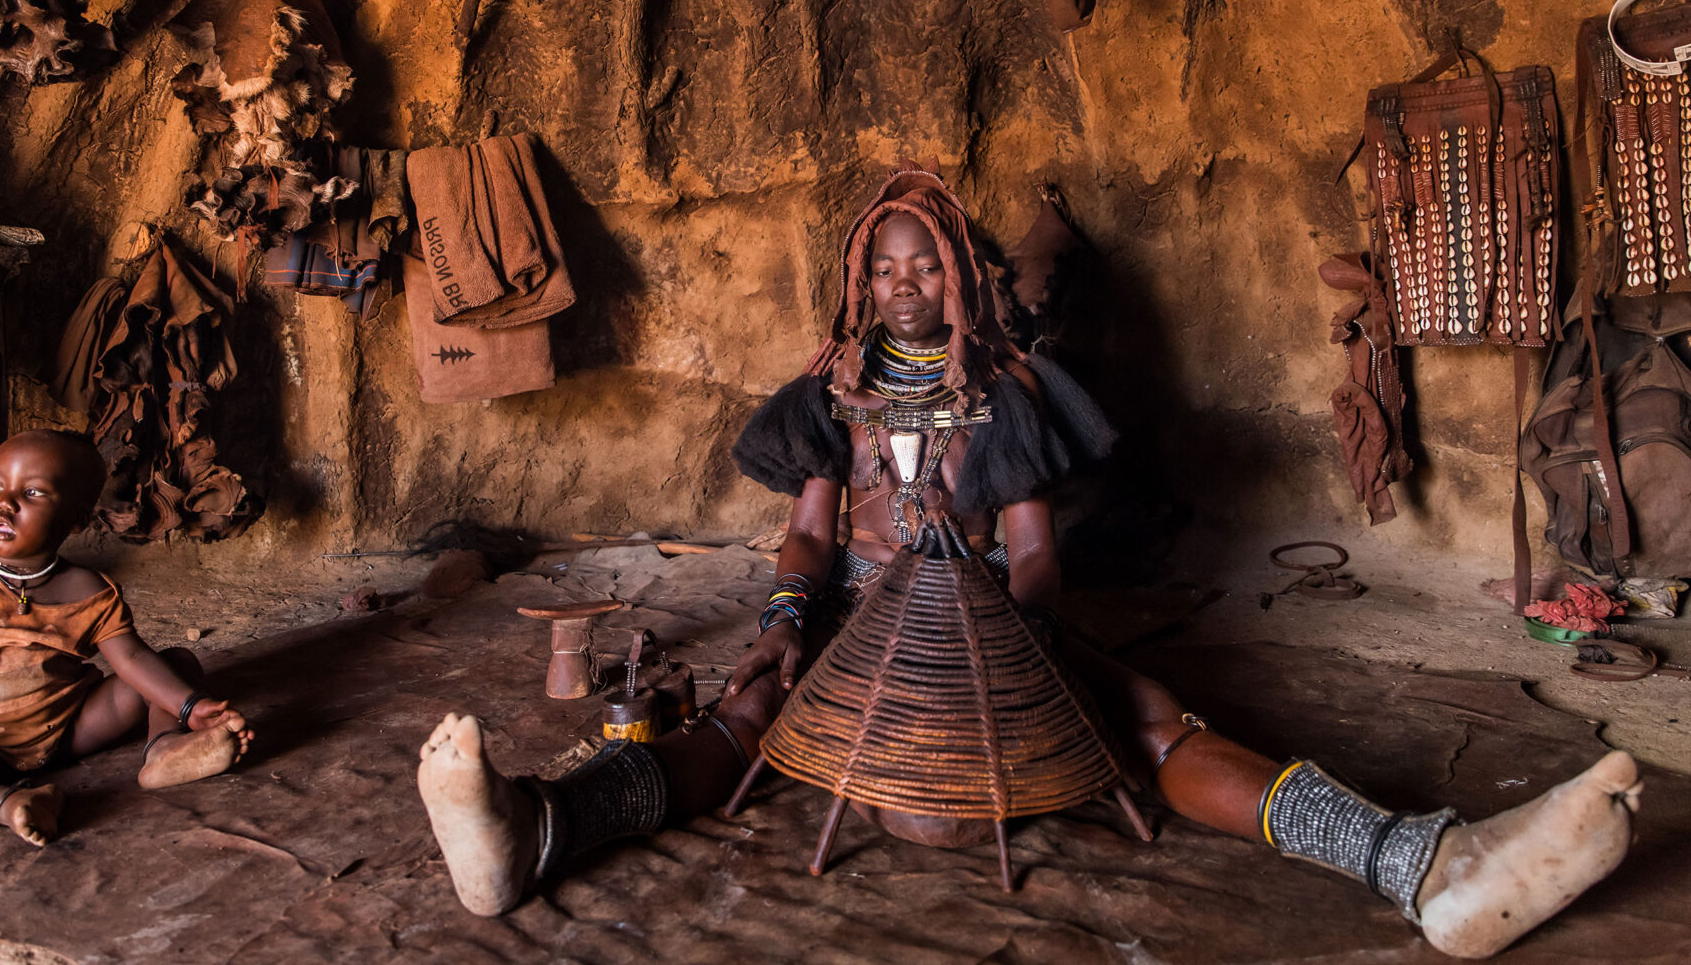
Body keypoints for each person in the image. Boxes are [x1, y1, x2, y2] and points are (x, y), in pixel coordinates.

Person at [418, 164, 1639, 958]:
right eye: (885, 266)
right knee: (749, 709)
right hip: (859, 621)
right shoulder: (832, 392)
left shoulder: (1006, 389)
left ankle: (1421, 862)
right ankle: (535, 832)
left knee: (1148, 715)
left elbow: (1034, 549)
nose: (905, 285)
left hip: (992, 619)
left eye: (926, 264)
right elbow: (809, 527)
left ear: (961, 271)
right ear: (861, 277)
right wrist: (790, 617)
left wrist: (1025, 642)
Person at [0, 429, 254, 846]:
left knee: (175, 665)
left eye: (32, 493)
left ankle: (165, 749)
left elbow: (131, 661)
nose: (3, 502)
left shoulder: (91, 592)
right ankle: (11, 805)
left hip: (71, 731)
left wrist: (188, 707)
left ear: (77, 520)